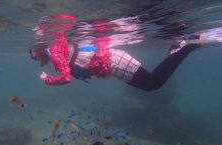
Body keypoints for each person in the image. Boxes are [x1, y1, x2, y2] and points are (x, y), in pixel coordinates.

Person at [29, 14, 222, 91]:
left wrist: (47, 79)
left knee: (152, 84)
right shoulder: (55, 50)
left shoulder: (53, 50)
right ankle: (177, 49)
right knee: (151, 84)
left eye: (33, 55)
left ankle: (185, 46)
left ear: (39, 50)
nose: (35, 59)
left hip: (114, 62)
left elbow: (65, 78)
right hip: (113, 64)